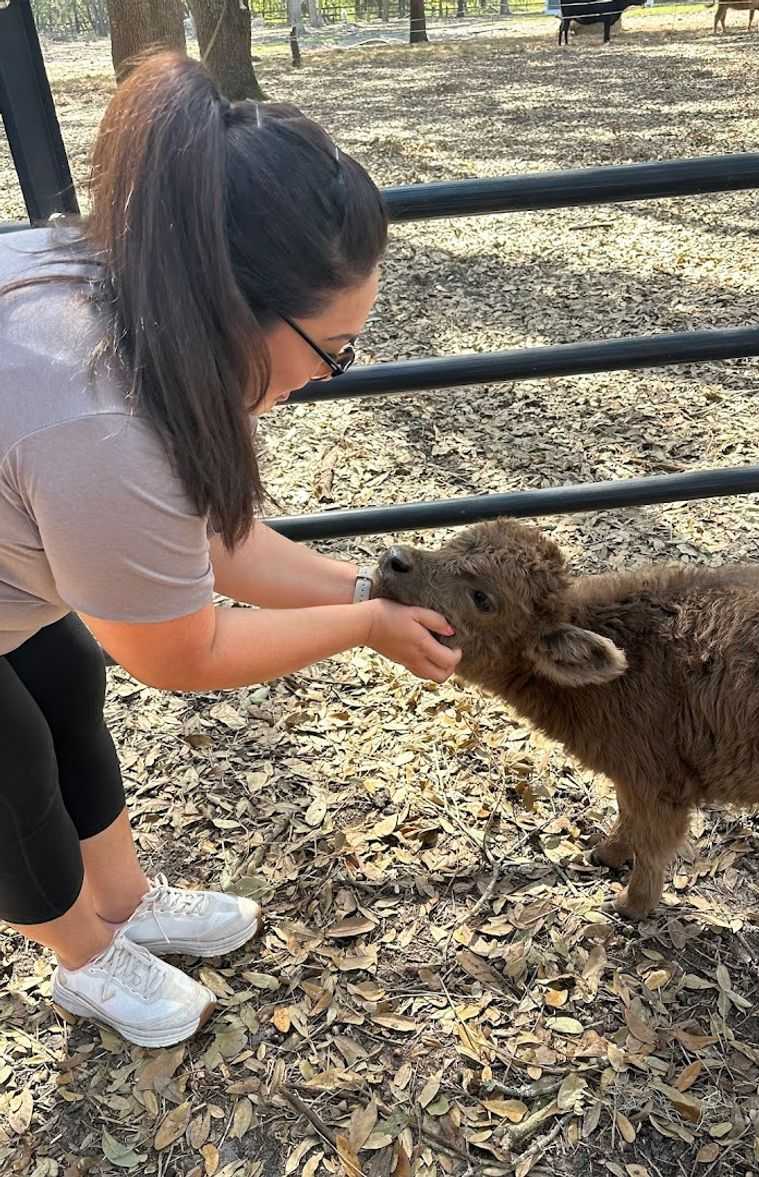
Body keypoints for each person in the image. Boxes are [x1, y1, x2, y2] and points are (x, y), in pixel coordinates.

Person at [0, 51, 461, 1049]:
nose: (331, 375)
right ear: (232, 297)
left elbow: (211, 539)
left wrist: (353, 587)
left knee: (61, 676)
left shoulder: (126, 288)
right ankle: (83, 957)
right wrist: (363, 627)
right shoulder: (100, 416)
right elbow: (180, 652)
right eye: (332, 348)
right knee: (6, 764)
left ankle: (121, 902)